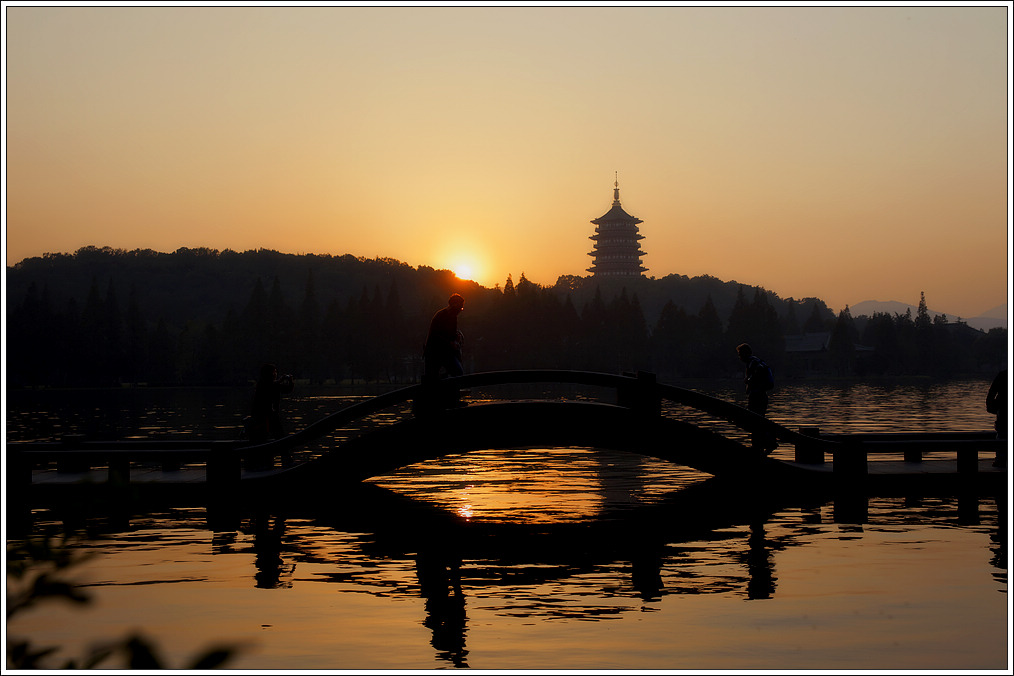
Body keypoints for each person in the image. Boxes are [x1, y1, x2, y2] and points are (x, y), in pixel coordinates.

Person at [737, 343, 776, 454]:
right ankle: (759, 446)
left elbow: (756, 374)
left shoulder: (753, 363)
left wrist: (749, 380)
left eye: (740, 354)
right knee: (757, 421)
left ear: (745, 353)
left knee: (755, 421)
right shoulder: (755, 361)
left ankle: (764, 444)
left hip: (757, 396)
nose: (739, 357)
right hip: (761, 396)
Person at [247, 363, 294, 443]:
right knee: (277, 434)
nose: (275, 374)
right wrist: (287, 381)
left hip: (265, 415)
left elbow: (282, 388)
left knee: (272, 434)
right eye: (274, 372)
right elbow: (282, 388)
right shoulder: (268, 384)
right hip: (265, 416)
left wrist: (285, 381)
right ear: (269, 373)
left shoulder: (265, 384)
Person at [986, 369, 1007, 467]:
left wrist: (992, 408)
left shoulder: (1003, 375)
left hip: (1003, 411)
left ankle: (1000, 460)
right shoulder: (1003, 374)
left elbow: (991, 394)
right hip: (1003, 412)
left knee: (1002, 435)